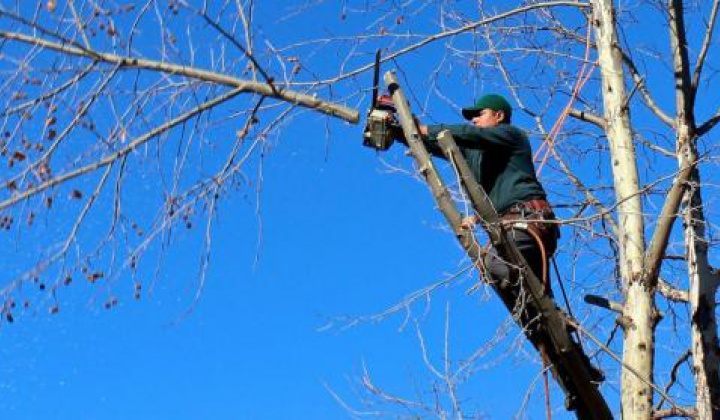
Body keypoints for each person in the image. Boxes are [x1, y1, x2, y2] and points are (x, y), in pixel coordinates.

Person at [397, 94, 559, 293]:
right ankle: (544, 321)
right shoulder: (474, 152)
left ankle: (536, 306)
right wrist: (399, 129)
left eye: (480, 114)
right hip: (508, 229)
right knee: (524, 297)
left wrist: (427, 129)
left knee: (493, 266)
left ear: (499, 116)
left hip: (528, 221)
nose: (474, 120)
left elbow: (469, 135)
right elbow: (435, 143)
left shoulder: (511, 135)